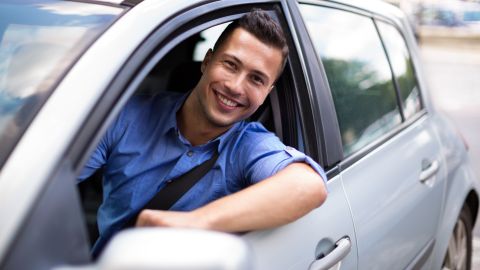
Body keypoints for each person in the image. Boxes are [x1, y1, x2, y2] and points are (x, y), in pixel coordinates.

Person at [79, 9, 327, 257]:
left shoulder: (249, 145)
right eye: (230, 65)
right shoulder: (129, 116)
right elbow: (54, 172)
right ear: (207, 61)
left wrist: (196, 222)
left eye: (256, 79)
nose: (235, 87)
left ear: (266, 92)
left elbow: (309, 185)